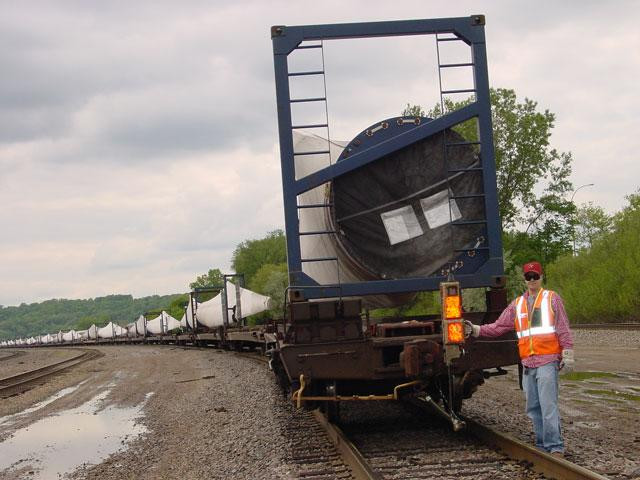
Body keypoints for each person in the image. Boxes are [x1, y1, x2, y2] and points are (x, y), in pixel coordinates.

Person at [464, 261, 574, 457]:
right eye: (528, 277)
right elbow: (498, 327)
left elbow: (563, 327)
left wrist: (568, 351)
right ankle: (542, 446)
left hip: (548, 360)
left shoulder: (552, 299)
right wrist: (476, 330)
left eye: (535, 276)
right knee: (533, 406)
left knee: (548, 405)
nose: (532, 280)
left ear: (541, 278)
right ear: (524, 279)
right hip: (528, 363)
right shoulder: (517, 304)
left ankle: (555, 447)